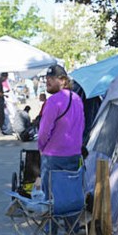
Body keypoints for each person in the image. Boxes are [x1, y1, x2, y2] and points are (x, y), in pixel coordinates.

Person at [37, 64, 84, 194]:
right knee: (69, 196)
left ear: (63, 80)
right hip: (74, 154)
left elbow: (43, 131)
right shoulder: (77, 98)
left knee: (51, 199)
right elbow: (81, 126)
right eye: (46, 78)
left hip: (54, 156)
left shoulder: (53, 101)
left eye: (51, 78)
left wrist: (41, 147)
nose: (48, 81)